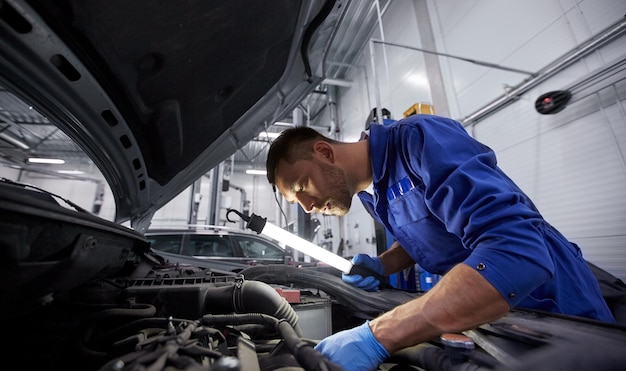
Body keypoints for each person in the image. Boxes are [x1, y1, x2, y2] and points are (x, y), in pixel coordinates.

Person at [265, 114, 615, 371]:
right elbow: (432, 234)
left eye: (301, 188)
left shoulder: (420, 139)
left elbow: (516, 254)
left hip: (553, 303)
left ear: (324, 152)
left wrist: (377, 335)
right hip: (488, 312)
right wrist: (384, 264)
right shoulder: (373, 195)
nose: (308, 207)